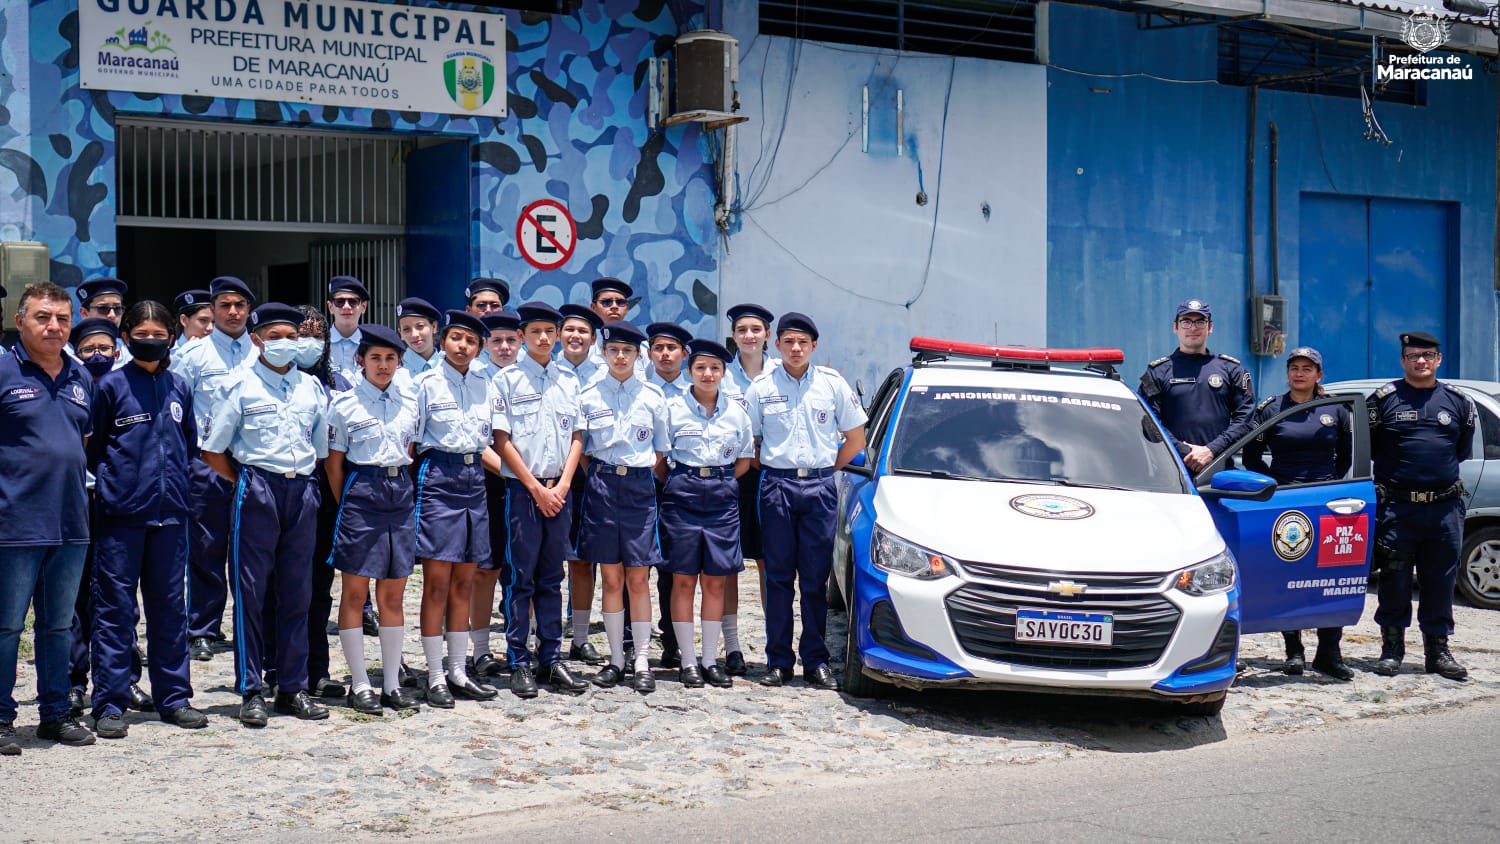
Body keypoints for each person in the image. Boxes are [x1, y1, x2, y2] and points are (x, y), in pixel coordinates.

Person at [199, 302, 332, 727]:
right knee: (252, 595)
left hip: (302, 490)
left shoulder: (312, 388)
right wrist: (244, 484)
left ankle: (292, 687)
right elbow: (213, 451)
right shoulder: (239, 386)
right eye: (274, 337)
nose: (285, 345)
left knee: (298, 592)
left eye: (291, 337)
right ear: (256, 340)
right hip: (257, 488)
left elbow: (321, 449)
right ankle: (251, 689)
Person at [85, 300, 208, 737]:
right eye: (143, 335)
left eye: (159, 336)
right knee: (116, 612)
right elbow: (94, 449)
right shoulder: (111, 388)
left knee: (170, 611)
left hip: (171, 517)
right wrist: (117, 488)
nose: (151, 342)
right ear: (126, 337)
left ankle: (174, 698)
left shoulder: (179, 387)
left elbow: (189, 446)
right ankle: (111, 702)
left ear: (171, 338)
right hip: (121, 518)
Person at [743, 313, 867, 689]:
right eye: (788, 342)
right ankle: (778, 661)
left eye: (803, 342)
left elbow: (855, 439)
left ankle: (815, 661)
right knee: (779, 577)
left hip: (819, 489)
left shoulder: (832, 385)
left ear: (814, 346)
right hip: (777, 488)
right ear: (776, 345)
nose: (796, 349)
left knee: (814, 581)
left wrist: (826, 470)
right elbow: (750, 442)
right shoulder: (761, 387)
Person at [0, 282, 98, 752]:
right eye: (42, 317)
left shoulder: (82, 378)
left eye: (61, 318)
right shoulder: (2, 371)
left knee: (58, 626)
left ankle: (55, 714)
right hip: (13, 524)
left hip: (71, 525)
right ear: (20, 321)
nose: (53, 326)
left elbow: (79, 449)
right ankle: (0, 719)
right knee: (6, 627)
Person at [492, 302, 590, 698]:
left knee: (553, 576)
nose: (545, 339)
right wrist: (535, 488)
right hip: (523, 491)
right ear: (522, 337)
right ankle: (519, 660)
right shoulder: (507, 381)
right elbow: (501, 440)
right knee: (520, 578)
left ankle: (551, 658)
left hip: (559, 490)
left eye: (551, 331)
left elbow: (578, 436)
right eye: (536, 332)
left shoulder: (569, 380)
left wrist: (563, 485)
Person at [325, 325, 422, 715]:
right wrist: (348, 503)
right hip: (361, 495)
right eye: (375, 358)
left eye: (390, 358)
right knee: (355, 592)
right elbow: (334, 465)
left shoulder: (409, 403)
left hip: (399, 495)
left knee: (393, 593)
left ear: (399, 362)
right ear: (360, 361)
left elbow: (409, 449)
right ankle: (361, 683)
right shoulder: (345, 406)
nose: (383, 365)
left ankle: (392, 684)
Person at [1367, 331, 1475, 681]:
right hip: (1398, 508)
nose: (1421, 361)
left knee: (1440, 579)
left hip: (1443, 509)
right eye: (1413, 356)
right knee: (1395, 579)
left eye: (1427, 355)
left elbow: (1461, 450)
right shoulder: (1383, 400)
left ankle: (1438, 652)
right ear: (1403, 361)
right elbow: (1369, 448)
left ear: (1438, 360)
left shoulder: (1458, 401)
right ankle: (1392, 649)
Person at [1243, 347, 1355, 681]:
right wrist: (1275, 485)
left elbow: (1346, 457)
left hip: (1325, 500)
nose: (1299, 373)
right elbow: (1250, 455)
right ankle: (1294, 651)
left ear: (1319, 374)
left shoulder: (1335, 408)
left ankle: (1329, 652)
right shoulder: (1271, 409)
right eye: (1294, 367)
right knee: (1286, 574)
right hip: (1284, 499)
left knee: (1329, 576)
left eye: (1307, 368)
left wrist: (1326, 486)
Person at [410, 310, 502, 708]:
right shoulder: (424, 384)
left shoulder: (486, 384)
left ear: (479, 348)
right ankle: (434, 675)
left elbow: (491, 442)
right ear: (442, 340)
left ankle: (458, 669)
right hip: (439, 478)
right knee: (437, 582)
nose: (462, 347)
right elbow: (411, 444)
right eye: (456, 338)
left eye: (471, 341)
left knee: (466, 578)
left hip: (474, 480)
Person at [575, 321, 668, 692]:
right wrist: (602, 475)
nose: (619, 357)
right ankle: (615, 659)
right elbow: (583, 451)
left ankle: (642, 658)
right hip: (600, 484)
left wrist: (631, 475)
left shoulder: (652, 397)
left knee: (638, 577)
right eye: (613, 350)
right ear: (604, 352)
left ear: (637, 355)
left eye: (627, 351)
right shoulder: (589, 396)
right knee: (611, 577)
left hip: (638, 488)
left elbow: (661, 452)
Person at [67, 318, 152, 718]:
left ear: (117, 351)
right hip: (73, 500)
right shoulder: (69, 385)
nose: (97, 355)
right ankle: (73, 681)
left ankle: (124, 679)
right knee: (74, 596)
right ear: (77, 354)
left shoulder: (122, 386)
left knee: (120, 598)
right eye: (88, 349)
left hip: (115, 500)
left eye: (104, 347)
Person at [659, 339, 754, 689]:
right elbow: (660, 460)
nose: (708, 374)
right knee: (683, 579)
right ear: (689, 371)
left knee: (715, 580)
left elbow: (743, 461)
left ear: (724, 373)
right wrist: (685, 482)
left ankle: (711, 660)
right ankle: (687, 660)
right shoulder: (672, 409)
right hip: (682, 495)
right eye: (700, 368)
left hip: (722, 496)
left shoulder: (737, 413)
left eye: (715, 368)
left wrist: (716, 481)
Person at [172, 276, 257, 662]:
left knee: (252, 550)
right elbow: (176, 413)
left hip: (254, 465)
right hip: (207, 465)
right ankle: (203, 628)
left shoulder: (263, 352)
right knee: (206, 549)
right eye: (225, 305)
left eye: (240, 304)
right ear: (214, 310)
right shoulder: (193, 356)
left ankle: (249, 624)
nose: (233, 312)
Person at [720, 303, 779, 676]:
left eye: (756, 329)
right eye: (742, 330)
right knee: (728, 564)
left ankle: (776, 647)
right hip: (733, 477)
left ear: (767, 335)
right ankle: (732, 646)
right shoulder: (721, 374)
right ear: (734, 335)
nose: (749, 336)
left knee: (769, 563)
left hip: (772, 477)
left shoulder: (781, 374)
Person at [296, 305, 351, 701]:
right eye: (302, 334)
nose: (311, 342)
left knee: (318, 588)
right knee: (280, 586)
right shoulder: (268, 381)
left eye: (318, 335)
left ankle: (317, 669)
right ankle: (276, 668)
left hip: (327, 496)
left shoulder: (339, 384)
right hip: (283, 492)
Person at [1138, 300, 1256, 473]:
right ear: (1175, 327)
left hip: (1219, 470)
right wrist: (1186, 453)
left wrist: (1211, 450)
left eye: (1200, 322)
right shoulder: (1157, 372)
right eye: (1186, 322)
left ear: (1210, 327)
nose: (1193, 328)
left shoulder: (1232, 370)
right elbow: (1149, 422)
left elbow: (1245, 420)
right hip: (1172, 471)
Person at [469, 307, 523, 678]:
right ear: (485, 344)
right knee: (487, 569)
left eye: (510, 340)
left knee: (523, 568)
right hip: (491, 482)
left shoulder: (533, 377)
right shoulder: (474, 380)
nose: (504, 347)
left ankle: (520, 644)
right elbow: (476, 439)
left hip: (529, 484)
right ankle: (480, 649)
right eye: (496, 341)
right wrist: (511, 470)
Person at [558, 304, 608, 666]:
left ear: (593, 338)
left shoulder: (606, 374)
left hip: (588, 476)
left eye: (583, 331)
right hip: (546, 475)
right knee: (539, 560)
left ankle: (579, 636)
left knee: (581, 560)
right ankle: (533, 633)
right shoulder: (546, 370)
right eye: (570, 329)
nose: (576, 336)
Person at [644, 321, 694, 667]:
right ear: (649, 353)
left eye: (671, 348)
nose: (665, 354)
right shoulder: (639, 389)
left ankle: (672, 639)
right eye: (659, 348)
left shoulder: (693, 394)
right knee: (635, 566)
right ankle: (633, 639)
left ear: (683, 355)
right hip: (639, 486)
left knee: (672, 568)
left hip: (677, 488)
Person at [73, 277, 132, 366]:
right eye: (103, 308)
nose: (112, 315)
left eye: (117, 308)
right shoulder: (67, 353)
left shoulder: (130, 352)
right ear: (84, 313)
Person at [463, 278, 510, 380]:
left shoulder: (518, 352)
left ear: (503, 311)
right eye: (481, 305)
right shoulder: (457, 350)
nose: (488, 310)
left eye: (494, 305)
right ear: (468, 311)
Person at [325, 276, 369, 384]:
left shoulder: (371, 344)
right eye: (339, 301)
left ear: (363, 307)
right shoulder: (320, 343)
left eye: (353, 301)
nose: (346, 306)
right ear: (330, 307)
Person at [173, 289, 213, 354]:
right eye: (203, 320)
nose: (210, 328)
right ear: (184, 320)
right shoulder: (168, 353)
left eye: (214, 322)